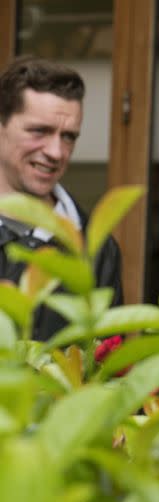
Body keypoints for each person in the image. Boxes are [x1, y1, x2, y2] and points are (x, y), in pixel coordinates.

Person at [0, 57, 123, 340]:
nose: (56, 151)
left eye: (68, 137)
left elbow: (106, 357)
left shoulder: (96, 247)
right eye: (39, 131)